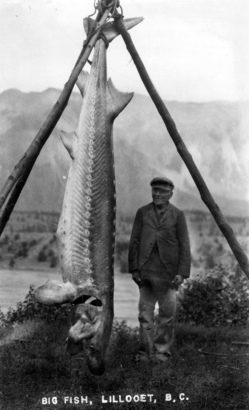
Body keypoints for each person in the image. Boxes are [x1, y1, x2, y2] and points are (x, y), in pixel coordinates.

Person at [128, 176, 191, 363]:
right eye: (154, 190)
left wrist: (182, 273)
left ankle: (161, 352)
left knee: (167, 315)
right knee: (145, 315)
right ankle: (144, 353)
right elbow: (134, 242)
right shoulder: (142, 213)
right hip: (146, 273)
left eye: (162, 191)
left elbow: (184, 246)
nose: (157, 194)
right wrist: (134, 269)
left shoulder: (178, 215)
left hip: (168, 275)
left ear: (170, 194)